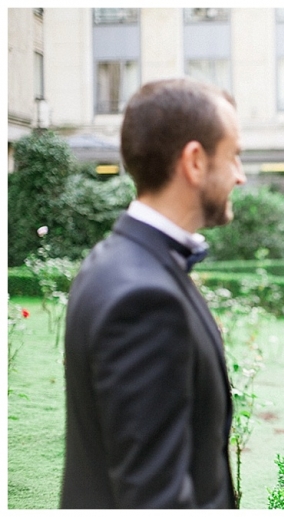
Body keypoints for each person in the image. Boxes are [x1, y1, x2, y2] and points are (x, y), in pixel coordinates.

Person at [60, 77, 246, 509]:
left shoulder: (114, 259)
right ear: (195, 162)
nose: (240, 176)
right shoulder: (144, 300)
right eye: (234, 156)